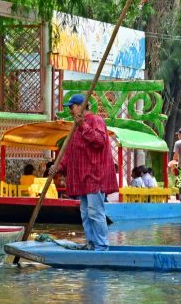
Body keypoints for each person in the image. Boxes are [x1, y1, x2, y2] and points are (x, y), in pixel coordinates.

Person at [58, 93, 118, 251]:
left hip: (94, 175)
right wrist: (58, 167)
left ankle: (102, 246)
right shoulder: (76, 127)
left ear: (80, 106)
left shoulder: (95, 120)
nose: (70, 111)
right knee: (85, 214)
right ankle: (92, 244)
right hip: (81, 178)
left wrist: (83, 125)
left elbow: (99, 141)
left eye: (71, 107)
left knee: (95, 212)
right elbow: (71, 153)